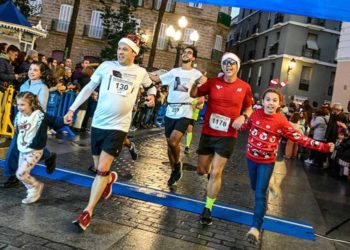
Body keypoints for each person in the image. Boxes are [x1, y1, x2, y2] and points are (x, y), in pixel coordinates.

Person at [64, 34, 156, 231]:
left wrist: (152, 98)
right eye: (119, 48)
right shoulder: (106, 66)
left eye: (125, 49)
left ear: (134, 53)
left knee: (102, 168)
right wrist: (72, 108)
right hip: (98, 124)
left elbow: (151, 87)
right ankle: (110, 179)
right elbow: (89, 88)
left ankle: (87, 212)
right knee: (98, 167)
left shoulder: (140, 72)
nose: (121, 51)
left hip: (119, 127)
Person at [240, 88, 334, 245]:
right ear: (262, 101)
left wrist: (324, 147)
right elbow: (246, 126)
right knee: (254, 187)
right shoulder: (255, 114)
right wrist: (235, 125)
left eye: (275, 100)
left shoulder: (281, 121)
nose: (271, 103)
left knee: (260, 194)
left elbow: (301, 139)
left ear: (279, 104)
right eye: (268, 99)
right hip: (250, 159)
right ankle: (270, 183)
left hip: (266, 162)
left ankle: (255, 228)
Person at [190, 52, 254, 225]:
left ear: (237, 67)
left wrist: (244, 117)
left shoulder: (244, 87)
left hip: (227, 136)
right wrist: (196, 83)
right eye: (226, 63)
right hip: (208, 133)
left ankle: (207, 208)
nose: (229, 65)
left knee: (216, 172)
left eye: (232, 63)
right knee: (202, 170)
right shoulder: (212, 82)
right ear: (223, 66)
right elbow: (194, 94)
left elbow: (249, 108)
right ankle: (212, 178)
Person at [150, 46, 204, 186]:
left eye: (189, 53)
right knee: (169, 144)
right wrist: (139, 71)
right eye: (184, 52)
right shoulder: (174, 72)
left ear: (193, 58)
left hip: (186, 109)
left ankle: (178, 163)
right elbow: (156, 78)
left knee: (174, 141)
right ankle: (174, 169)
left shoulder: (197, 73)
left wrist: (201, 99)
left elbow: (203, 89)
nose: (186, 54)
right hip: (171, 109)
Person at [1, 61, 56, 188]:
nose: (32, 72)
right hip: (21, 121)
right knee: (17, 147)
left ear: (41, 73)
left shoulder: (43, 88)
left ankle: (15, 175)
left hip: (34, 123)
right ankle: (13, 175)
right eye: (31, 69)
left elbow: (41, 108)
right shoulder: (24, 85)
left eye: (36, 70)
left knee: (24, 147)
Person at [14, 92, 67, 204]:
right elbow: (19, 131)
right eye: (18, 104)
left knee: (21, 174)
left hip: (35, 149)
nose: (19, 107)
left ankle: (35, 187)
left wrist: (64, 120)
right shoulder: (19, 115)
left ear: (31, 104)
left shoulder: (40, 116)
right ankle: (32, 189)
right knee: (21, 175)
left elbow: (55, 120)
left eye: (22, 105)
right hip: (23, 148)